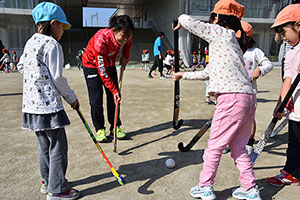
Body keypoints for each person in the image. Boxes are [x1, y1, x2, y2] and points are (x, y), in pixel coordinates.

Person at [172, 0, 261, 199]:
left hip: (231, 100)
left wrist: (180, 19)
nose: (209, 22)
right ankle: (250, 188)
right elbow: (208, 72)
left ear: (217, 19)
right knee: (239, 148)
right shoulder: (232, 44)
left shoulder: (221, 33)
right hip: (248, 99)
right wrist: (182, 75)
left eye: (211, 18)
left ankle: (205, 186)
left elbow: (191, 22)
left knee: (214, 146)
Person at [17, 2, 80, 200]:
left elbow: (20, 66)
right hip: (48, 106)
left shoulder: (30, 42)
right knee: (58, 147)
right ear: (53, 23)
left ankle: (47, 182)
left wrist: (35, 76)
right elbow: (58, 78)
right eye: (62, 26)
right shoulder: (53, 45)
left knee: (43, 145)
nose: (63, 30)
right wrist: (72, 98)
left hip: (31, 105)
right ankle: (58, 190)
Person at [223, 21, 274, 154]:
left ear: (249, 37)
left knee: (249, 119)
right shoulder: (231, 49)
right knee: (231, 118)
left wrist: (260, 69)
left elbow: (268, 64)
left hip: (249, 92)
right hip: (232, 91)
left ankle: (249, 142)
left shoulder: (255, 52)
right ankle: (231, 141)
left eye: (239, 36)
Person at [82, 15, 133, 142]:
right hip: (92, 65)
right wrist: (113, 89)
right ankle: (99, 129)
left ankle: (115, 127)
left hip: (109, 64)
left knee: (115, 98)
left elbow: (128, 43)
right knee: (96, 99)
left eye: (128, 35)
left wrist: (125, 56)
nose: (125, 38)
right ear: (115, 30)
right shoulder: (101, 40)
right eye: (123, 35)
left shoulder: (127, 36)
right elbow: (102, 70)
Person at [267, 3, 300, 187]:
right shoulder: (291, 51)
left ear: (298, 25)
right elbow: (287, 78)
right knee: (294, 140)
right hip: (296, 106)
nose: (282, 36)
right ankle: (291, 172)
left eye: (284, 30)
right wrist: (280, 104)